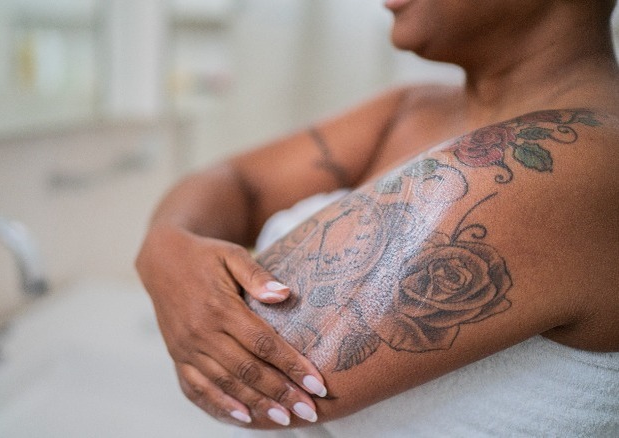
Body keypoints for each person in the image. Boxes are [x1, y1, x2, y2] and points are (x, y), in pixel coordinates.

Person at [136, 0, 619, 434]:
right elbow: (236, 181)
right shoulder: (412, 109)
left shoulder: (583, 160)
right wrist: (167, 242)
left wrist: (173, 257)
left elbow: (250, 357)